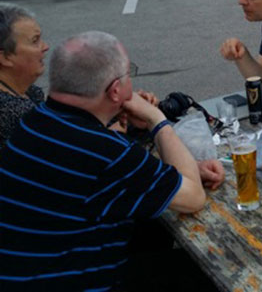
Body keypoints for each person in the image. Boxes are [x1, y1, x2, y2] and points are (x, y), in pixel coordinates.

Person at [0, 31, 206, 291]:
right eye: (129, 74)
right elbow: (193, 196)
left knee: (153, 232)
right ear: (116, 90)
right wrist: (156, 118)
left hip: (24, 276)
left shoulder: (35, 120)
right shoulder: (106, 153)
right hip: (74, 283)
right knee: (205, 270)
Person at [0, 3, 49, 147]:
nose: (45, 47)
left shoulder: (27, 90)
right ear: (5, 58)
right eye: (35, 41)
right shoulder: (11, 110)